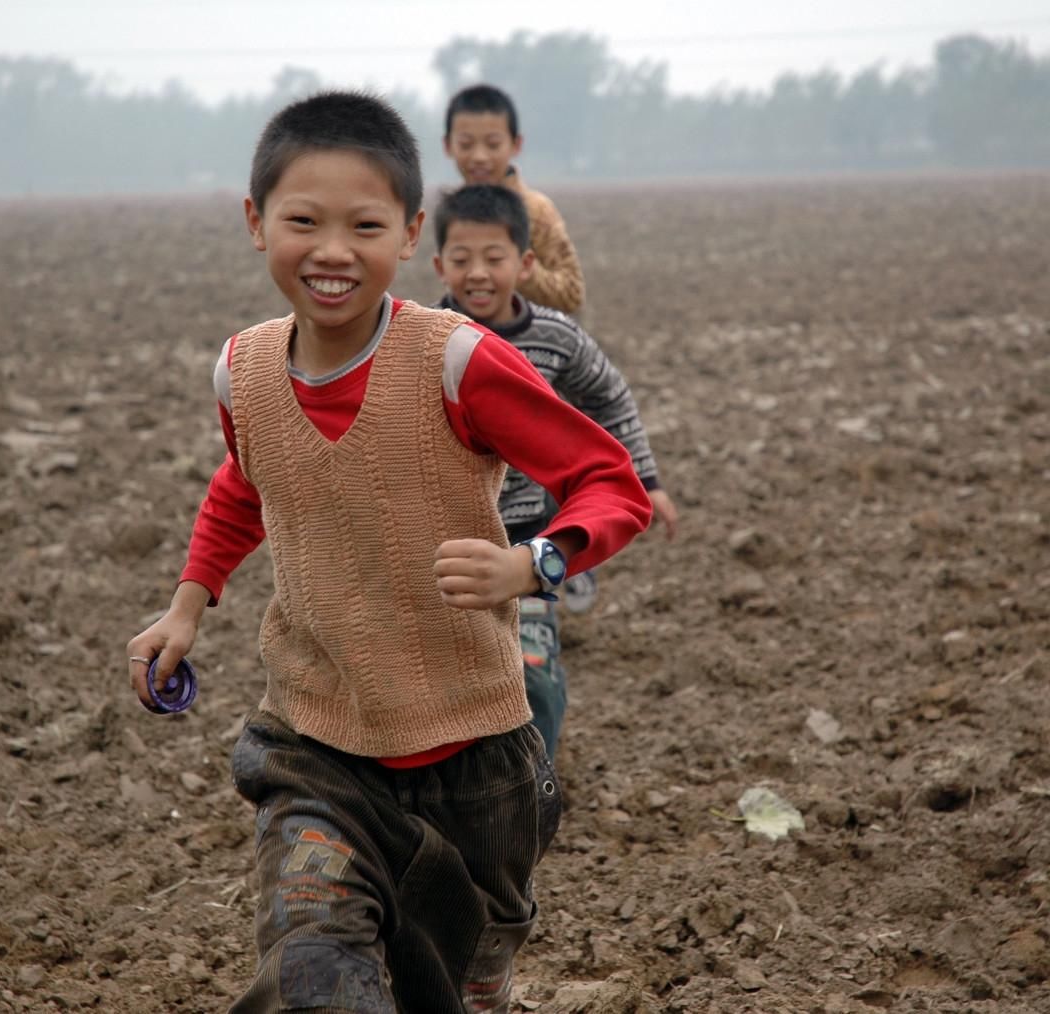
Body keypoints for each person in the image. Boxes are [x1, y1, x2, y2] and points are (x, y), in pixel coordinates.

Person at [126, 91, 653, 1012]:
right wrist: (187, 602)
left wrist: (534, 564)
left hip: (474, 758)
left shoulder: (458, 362)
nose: (332, 251)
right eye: (303, 222)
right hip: (316, 745)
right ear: (256, 223)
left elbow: (611, 481)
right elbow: (247, 481)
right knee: (315, 971)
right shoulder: (240, 372)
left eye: (364, 225)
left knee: (457, 984)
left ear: (409, 234)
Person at [432, 183, 679, 756]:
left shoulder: (556, 337)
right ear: (439, 263)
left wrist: (647, 482)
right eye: (462, 260)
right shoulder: (420, 339)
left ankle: (531, 780)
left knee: (532, 669)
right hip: (442, 536)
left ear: (525, 263)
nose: (478, 274)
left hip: (527, 535)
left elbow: (611, 397)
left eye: (494, 259)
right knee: (443, 674)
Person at [443, 83, 586, 317]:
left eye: (493, 144)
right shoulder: (452, 213)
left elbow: (572, 293)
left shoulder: (536, 211)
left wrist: (517, 268)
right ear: (448, 146)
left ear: (516, 144)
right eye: (466, 144)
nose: (479, 157)